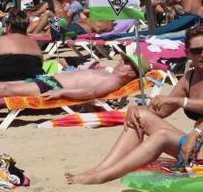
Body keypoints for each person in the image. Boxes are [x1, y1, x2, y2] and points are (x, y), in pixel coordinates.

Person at [65, 26, 203, 185]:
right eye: (197, 50)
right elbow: (162, 109)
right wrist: (136, 109)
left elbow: (176, 102)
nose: (202, 54)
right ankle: (100, 170)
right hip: (196, 145)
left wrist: (193, 127)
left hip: (197, 141)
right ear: (188, 54)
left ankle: (104, 176)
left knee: (162, 135)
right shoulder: (189, 77)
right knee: (139, 116)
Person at [0, 52, 146, 99]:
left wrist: (62, 93)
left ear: (130, 72)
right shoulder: (112, 75)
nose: (120, 61)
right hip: (51, 81)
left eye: (126, 62)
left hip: (53, 86)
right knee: (5, 85)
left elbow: (90, 91)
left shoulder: (114, 80)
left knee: (6, 89)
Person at [0, 9, 43, 83]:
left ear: (9, 26)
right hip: (29, 86)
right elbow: (40, 65)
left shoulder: (0, 41)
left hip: (2, 85)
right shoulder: (34, 44)